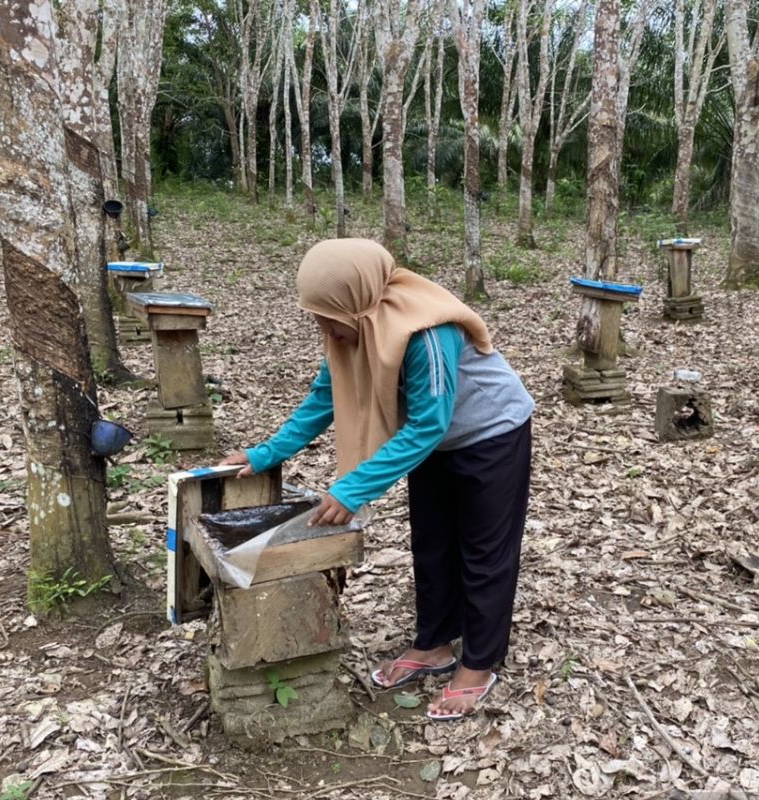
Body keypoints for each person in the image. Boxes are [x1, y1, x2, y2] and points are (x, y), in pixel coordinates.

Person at [220, 238, 534, 721]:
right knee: (432, 546)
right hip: (430, 442)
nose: (323, 328)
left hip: (490, 434)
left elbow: (430, 421)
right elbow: (324, 399)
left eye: (328, 316)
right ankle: (433, 645)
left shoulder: (427, 331)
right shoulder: (354, 326)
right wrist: (265, 454)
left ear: (357, 298)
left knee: (484, 552)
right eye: (316, 317)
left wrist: (352, 487)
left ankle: (479, 662)